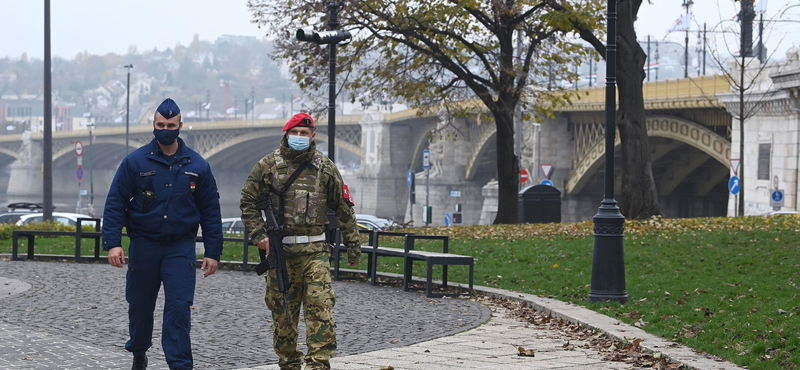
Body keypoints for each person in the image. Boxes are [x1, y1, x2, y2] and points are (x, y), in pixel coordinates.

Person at [102, 98, 223, 370]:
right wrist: (113, 243)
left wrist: (213, 251)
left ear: (180, 126)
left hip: (179, 246)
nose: (165, 128)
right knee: (140, 306)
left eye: (170, 124)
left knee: (179, 308)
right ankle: (138, 352)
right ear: (153, 125)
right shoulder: (134, 162)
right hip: (144, 245)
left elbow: (211, 211)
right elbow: (115, 203)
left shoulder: (198, 165)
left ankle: (180, 365)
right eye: (160, 124)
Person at [240, 112, 360, 370]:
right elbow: (248, 201)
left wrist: (354, 246)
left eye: (304, 134)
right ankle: (289, 363)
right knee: (283, 316)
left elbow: (343, 208)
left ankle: (318, 365)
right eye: (294, 133)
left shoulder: (325, 168)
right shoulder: (267, 165)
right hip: (281, 253)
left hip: (315, 253)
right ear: (286, 134)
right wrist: (259, 235)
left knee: (321, 311)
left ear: (312, 136)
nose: (299, 137)